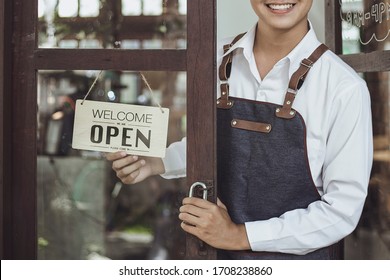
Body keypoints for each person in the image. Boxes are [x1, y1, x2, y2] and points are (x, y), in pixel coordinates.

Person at [106, 0, 373, 259]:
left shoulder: (343, 87)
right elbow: (218, 145)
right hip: (212, 257)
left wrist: (239, 235)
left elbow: (341, 211)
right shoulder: (213, 58)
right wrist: (155, 162)